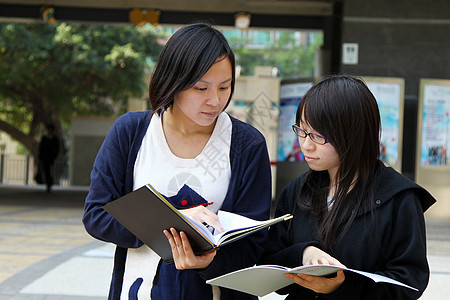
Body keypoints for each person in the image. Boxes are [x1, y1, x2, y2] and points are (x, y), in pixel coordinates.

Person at [82, 23, 272, 300]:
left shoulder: (247, 144)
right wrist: (176, 221)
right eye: (200, 88)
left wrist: (209, 261)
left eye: (225, 86)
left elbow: (254, 243)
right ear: (174, 80)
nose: (215, 100)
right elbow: (97, 215)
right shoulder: (131, 132)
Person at [260, 74, 436, 299]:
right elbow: (270, 262)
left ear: (353, 135)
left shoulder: (399, 199)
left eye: (317, 136)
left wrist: (341, 289)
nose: (305, 145)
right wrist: (304, 253)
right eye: (301, 131)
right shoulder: (297, 191)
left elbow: (409, 283)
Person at [37, 123, 59, 193]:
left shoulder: (55, 139)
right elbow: (41, 149)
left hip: (51, 158)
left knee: (49, 171)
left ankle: (50, 183)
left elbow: (56, 149)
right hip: (45, 158)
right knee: (46, 171)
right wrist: (40, 157)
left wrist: (54, 157)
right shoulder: (44, 138)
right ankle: (48, 184)